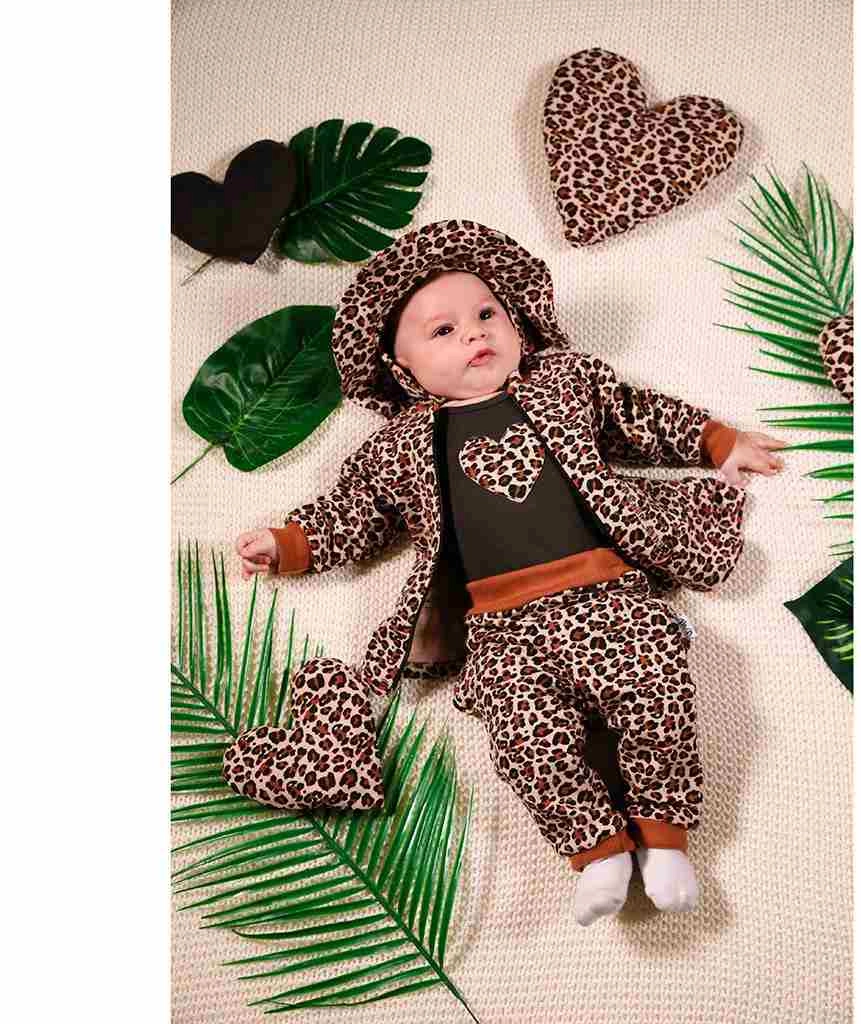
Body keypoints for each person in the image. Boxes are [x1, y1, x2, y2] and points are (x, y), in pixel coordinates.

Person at [231, 220, 785, 926]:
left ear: (517, 322)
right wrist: (290, 543)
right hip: (501, 631)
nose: (473, 333)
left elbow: (638, 416)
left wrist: (716, 440)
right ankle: (597, 849)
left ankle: (665, 836)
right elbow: (358, 509)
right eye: (443, 331)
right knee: (527, 740)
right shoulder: (399, 447)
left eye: (486, 314)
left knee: (658, 694)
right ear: (403, 372)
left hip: (609, 597)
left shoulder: (565, 382)